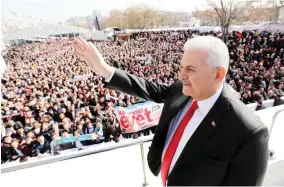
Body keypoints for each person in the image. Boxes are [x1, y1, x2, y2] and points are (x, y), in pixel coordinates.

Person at [73, 36, 269, 186]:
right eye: (181, 67)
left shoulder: (247, 131)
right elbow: (150, 89)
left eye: (190, 69)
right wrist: (105, 69)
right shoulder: (181, 89)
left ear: (218, 74)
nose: (181, 75)